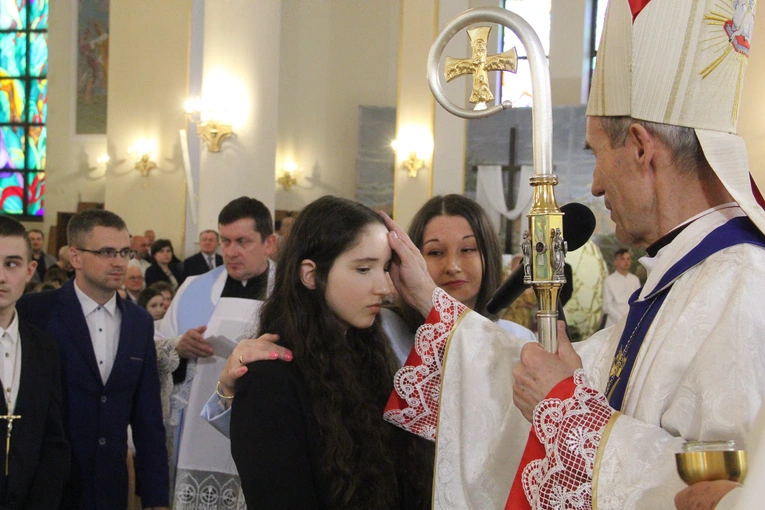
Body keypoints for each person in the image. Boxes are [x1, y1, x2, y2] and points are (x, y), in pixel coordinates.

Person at [382, 1, 765, 508]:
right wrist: (429, 297)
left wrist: (565, 408)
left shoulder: (743, 284)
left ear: (641, 147)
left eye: (595, 153)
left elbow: (733, 490)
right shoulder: (682, 277)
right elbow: (546, 378)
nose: (597, 184)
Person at [206, 194, 534, 437]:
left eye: (468, 249)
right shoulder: (378, 330)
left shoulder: (518, 341)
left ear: (489, 254)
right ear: (408, 257)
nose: (452, 265)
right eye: (434, 252)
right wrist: (228, 389)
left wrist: (431, 301)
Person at [230, 195, 432, 508]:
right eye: (364, 269)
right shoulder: (270, 379)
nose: (386, 288)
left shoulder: (369, 357)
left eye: (385, 269)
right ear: (310, 274)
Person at [17, 209, 169, 510]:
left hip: (110, 485)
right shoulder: (36, 312)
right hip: (47, 485)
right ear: (75, 257)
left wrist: (156, 497)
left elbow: (147, 417)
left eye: (124, 252)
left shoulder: (139, 322)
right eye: (106, 252)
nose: (118, 262)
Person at [154, 196, 282, 508]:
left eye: (242, 241)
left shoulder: (288, 291)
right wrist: (179, 347)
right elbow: (159, 344)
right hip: (197, 430)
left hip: (265, 426)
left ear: (269, 243)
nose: (231, 251)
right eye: (225, 241)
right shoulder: (193, 288)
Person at [0, 216, 70, 508]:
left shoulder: (43, 347)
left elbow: (53, 441)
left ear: (30, 271)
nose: (1, 276)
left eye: (11, 264)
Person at [602, 248, 640, 327]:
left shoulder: (635, 279)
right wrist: (621, 319)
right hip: (614, 323)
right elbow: (607, 305)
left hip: (632, 321)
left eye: (628, 259)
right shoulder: (609, 280)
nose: (626, 262)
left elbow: (638, 300)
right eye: (623, 259)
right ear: (616, 262)